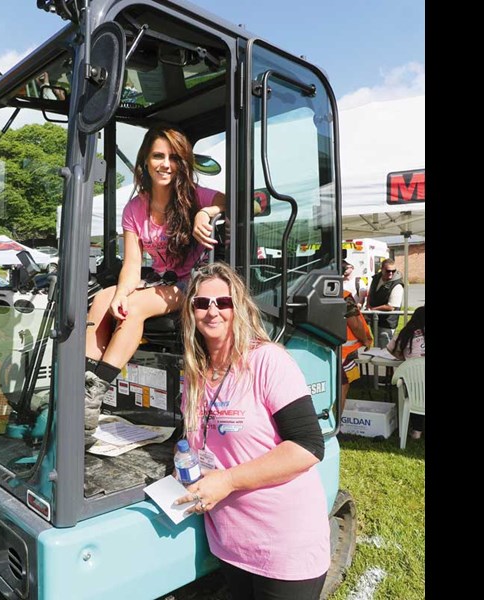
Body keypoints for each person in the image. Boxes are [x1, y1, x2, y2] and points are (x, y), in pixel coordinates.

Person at [175, 262, 330, 600]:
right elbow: (199, 438)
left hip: (283, 545)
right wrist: (183, 456)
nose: (212, 311)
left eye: (223, 302)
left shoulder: (267, 361)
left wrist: (228, 481)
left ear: (239, 307)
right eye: (201, 303)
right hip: (232, 545)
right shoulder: (195, 374)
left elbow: (307, 446)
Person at [83, 126, 226, 446]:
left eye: (174, 157)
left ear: (184, 162)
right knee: (104, 297)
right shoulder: (134, 208)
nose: (166, 164)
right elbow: (132, 264)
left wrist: (207, 212)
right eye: (158, 156)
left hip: (192, 282)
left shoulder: (195, 196)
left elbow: (231, 201)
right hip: (158, 279)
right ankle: (83, 389)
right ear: (145, 162)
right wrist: (121, 291)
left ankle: (93, 397)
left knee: (132, 307)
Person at [387, 305, 425, 439]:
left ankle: (416, 431)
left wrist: (404, 358)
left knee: (416, 396)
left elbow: (390, 348)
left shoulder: (405, 334)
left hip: (414, 380)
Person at [341, 289, 372, 408]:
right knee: (341, 390)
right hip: (343, 354)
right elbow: (355, 324)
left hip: (321, 350)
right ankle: (336, 424)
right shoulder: (343, 295)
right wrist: (365, 339)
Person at [366, 258, 404, 348]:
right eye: (388, 271)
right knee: (377, 345)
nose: (391, 274)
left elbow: (391, 307)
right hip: (375, 320)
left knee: (384, 350)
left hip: (387, 323)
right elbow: (370, 293)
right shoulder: (376, 278)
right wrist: (368, 305)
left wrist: (372, 309)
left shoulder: (397, 285)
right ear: (382, 269)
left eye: (393, 271)